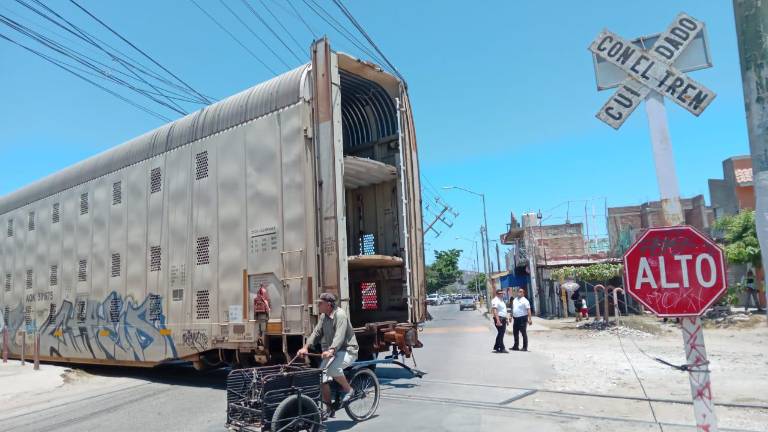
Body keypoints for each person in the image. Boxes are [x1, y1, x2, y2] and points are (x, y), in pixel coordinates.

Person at [297, 292, 358, 406]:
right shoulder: (323, 317)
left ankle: (349, 390)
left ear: (329, 304)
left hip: (348, 350)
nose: (318, 306)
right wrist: (305, 347)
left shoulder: (340, 315)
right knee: (321, 377)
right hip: (334, 353)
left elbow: (339, 336)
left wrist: (331, 350)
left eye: (320, 303)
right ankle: (329, 407)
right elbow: (316, 333)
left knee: (333, 369)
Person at [491, 288, 508, 353]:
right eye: (500, 293)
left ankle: (496, 346)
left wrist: (506, 318)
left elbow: (503, 310)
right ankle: (502, 348)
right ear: (497, 294)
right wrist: (498, 320)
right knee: (501, 333)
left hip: (503, 318)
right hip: (499, 318)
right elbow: (495, 311)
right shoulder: (495, 300)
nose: (502, 294)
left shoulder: (501, 300)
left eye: (502, 293)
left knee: (501, 333)